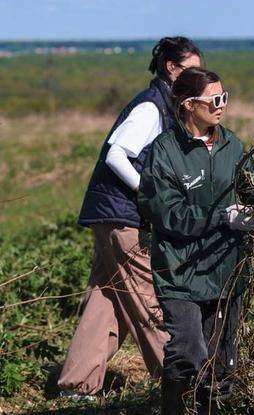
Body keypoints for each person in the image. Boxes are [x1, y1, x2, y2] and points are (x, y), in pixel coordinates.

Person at [58, 36, 202, 398]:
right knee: (149, 299)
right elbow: (116, 155)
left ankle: (77, 386)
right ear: (172, 68)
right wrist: (149, 193)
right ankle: (184, 385)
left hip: (111, 216)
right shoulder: (151, 107)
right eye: (192, 70)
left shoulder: (165, 105)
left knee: (107, 300)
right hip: (123, 220)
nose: (198, 78)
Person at [138, 67, 254, 415]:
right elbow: (164, 213)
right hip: (180, 271)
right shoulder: (164, 152)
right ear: (188, 104)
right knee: (187, 352)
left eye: (224, 97)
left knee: (220, 364)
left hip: (226, 269)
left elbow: (252, 185)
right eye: (214, 99)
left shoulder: (231, 144)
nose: (221, 105)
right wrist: (221, 217)